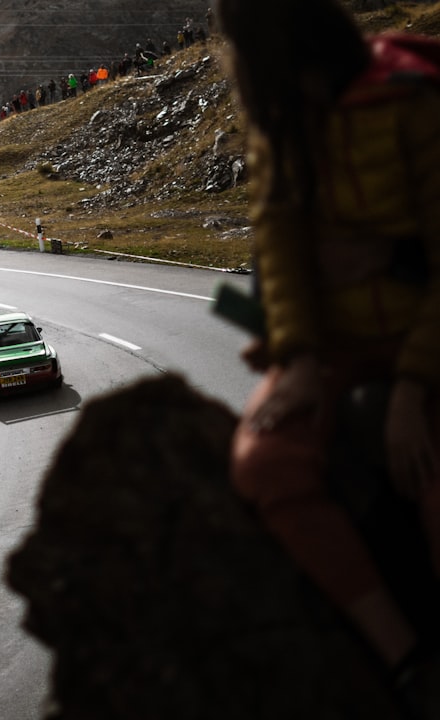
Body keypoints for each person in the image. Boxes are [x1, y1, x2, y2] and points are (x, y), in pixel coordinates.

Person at [218, 0, 440, 706]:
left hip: (420, 339)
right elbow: (277, 252)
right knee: (264, 463)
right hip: (334, 345)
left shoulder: (408, 101)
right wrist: (302, 359)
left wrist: (410, 389)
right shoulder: (277, 121)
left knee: (431, 465)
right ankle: (406, 662)